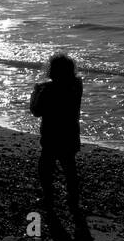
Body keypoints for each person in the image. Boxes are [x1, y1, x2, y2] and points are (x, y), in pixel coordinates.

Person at [31, 53, 84, 215]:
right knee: (69, 166)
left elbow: (36, 111)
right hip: (71, 133)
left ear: (52, 71)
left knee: (46, 167)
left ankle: (48, 196)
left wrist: (35, 93)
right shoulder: (76, 85)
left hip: (51, 134)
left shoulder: (47, 90)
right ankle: (73, 198)